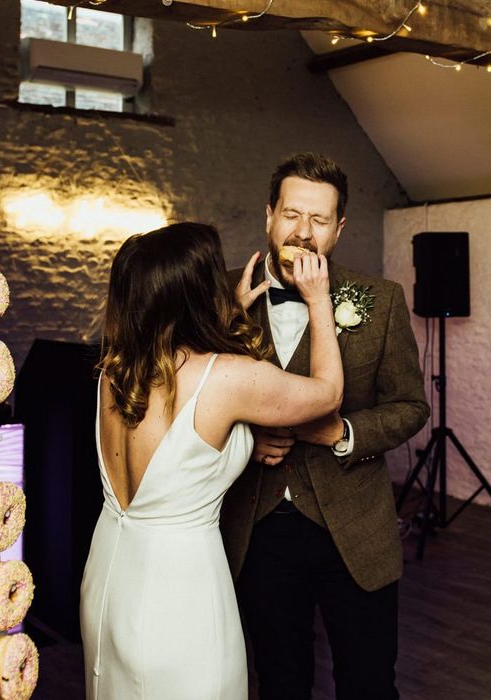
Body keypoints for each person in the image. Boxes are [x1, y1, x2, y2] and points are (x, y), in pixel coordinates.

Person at [80, 221, 344, 700]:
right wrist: (319, 301)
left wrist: (223, 319)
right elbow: (327, 395)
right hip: (179, 592)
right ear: (197, 294)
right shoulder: (226, 378)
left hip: (108, 578)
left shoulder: (114, 371)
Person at [221, 152, 430, 700]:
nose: (303, 234)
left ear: (338, 230)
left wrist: (346, 434)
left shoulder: (380, 301)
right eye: (292, 215)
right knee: (280, 679)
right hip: (257, 524)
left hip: (355, 529)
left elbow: (411, 406)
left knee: (367, 682)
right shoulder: (220, 297)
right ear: (269, 215)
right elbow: (189, 401)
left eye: (319, 221)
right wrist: (245, 436)